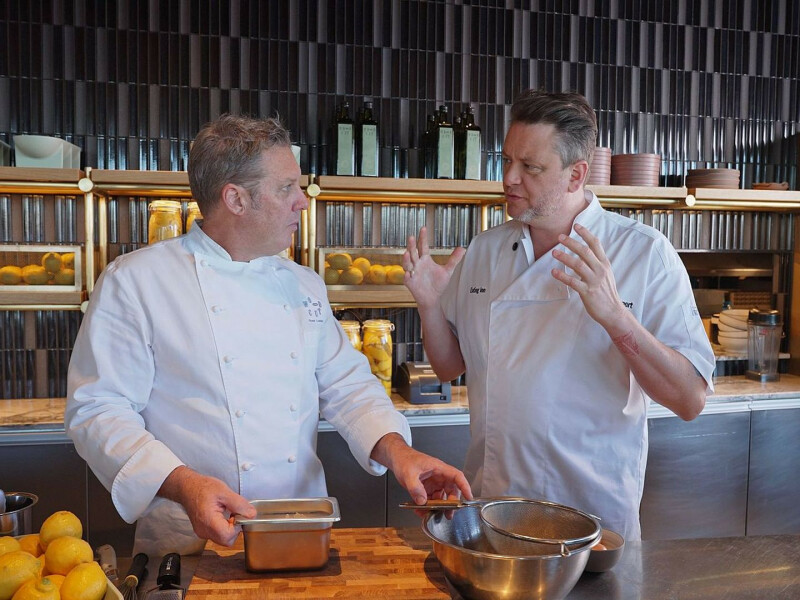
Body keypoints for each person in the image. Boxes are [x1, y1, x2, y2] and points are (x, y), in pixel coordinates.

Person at [66, 114, 471, 556]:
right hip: (190, 541)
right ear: (236, 199)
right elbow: (98, 410)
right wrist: (184, 485)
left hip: (297, 532)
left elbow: (349, 387)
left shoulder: (302, 284)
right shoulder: (136, 282)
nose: (302, 202)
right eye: (286, 188)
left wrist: (400, 452)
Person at [403, 89, 715, 540]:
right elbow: (449, 366)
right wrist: (430, 306)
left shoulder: (643, 253)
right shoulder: (485, 251)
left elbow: (690, 400)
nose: (509, 178)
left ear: (576, 175)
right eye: (506, 160)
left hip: (593, 519)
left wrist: (616, 317)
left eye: (530, 167)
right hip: (495, 509)